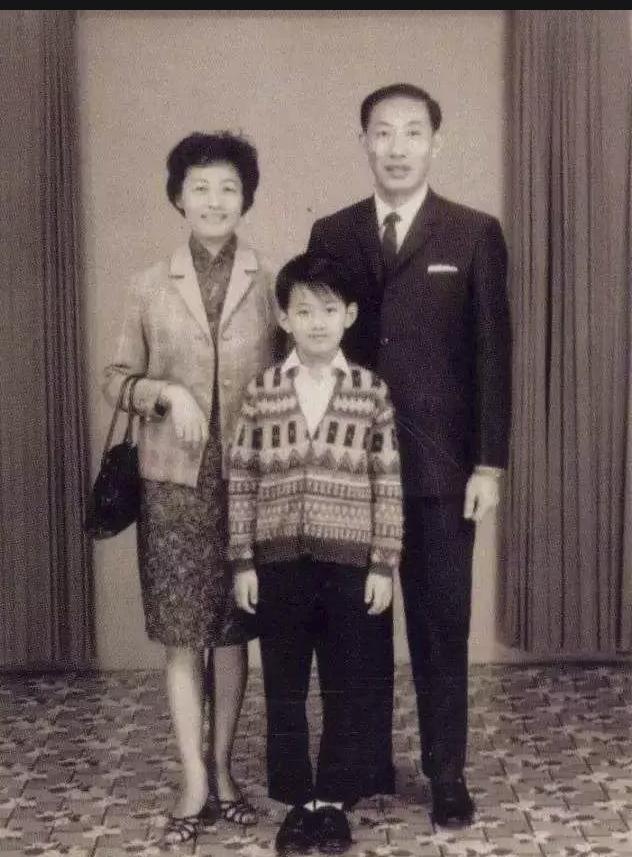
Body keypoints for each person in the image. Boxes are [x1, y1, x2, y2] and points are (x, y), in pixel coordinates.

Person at [307, 83, 511, 827]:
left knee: (439, 622)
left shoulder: (471, 232)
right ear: (362, 140)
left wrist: (489, 463)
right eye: (382, 133)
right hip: (348, 465)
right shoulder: (333, 232)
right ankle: (363, 761)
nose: (397, 147)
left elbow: (494, 353)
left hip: (439, 466)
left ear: (436, 141)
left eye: (412, 132)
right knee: (353, 624)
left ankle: (446, 771)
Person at [103, 131, 281, 845]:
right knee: (183, 634)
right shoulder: (148, 285)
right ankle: (192, 777)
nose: (215, 200)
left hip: (250, 481)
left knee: (236, 631)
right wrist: (163, 392)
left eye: (229, 188)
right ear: (178, 195)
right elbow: (115, 379)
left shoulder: (271, 281)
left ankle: (226, 766)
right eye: (201, 187)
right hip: (172, 485)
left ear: (246, 198)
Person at [228, 253, 403, 855]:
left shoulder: (370, 393)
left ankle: (332, 801)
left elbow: (388, 484)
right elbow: (243, 478)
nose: (318, 322)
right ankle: (296, 800)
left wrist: (383, 564)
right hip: (278, 567)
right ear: (285, 317)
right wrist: (243, 560)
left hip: (351, 565)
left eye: (330, 310)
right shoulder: (263, 392)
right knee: (283, 685)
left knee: (344, 686)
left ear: (350, 315)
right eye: (304, 310)